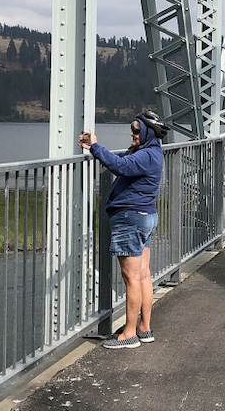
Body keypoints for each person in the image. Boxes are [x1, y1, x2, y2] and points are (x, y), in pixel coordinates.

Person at [78, 110, 170, 350]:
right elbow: (123, 160)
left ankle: (128, 333)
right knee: (143, 276)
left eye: (137, 129)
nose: (132, 133)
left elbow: (120, 165)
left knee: (132, 278)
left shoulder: (146, 155)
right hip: (144, 216)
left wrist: (96, 147)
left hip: (130, 218)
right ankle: (144, 328)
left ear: (148, 131)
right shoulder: (151, 152)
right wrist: (95, 148)